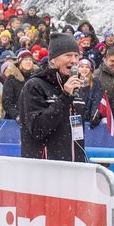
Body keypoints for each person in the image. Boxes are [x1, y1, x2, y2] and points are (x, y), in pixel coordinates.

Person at [19, 33, 85, 162]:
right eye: (68, 55)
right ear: (53, 60)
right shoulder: (35, 85)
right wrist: (65, 97)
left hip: (74, 166)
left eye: (76, 55)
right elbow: (38, 129)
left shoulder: (75, 86)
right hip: (45, 167)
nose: (74, 60)